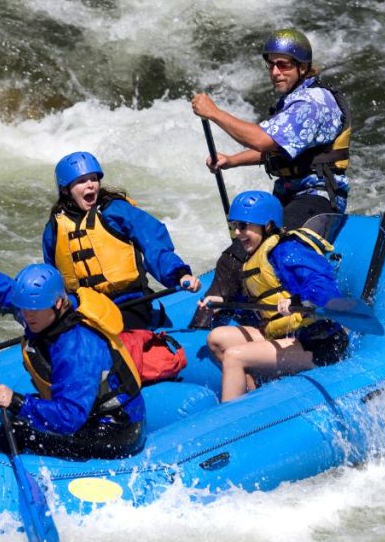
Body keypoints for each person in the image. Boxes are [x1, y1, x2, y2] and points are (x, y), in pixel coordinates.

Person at [189, 28, 352, 328]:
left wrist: (214, 113)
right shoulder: (293, 101)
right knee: (239, 253)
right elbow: (277, 149)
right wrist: (230, 161)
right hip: (290, 196)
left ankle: (202, 331)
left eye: (284, 65)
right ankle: (231, 320)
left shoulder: (311, 104)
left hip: (317, 198)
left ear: (303, 67)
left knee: (252, 253)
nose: (275, 72)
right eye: (272, 65)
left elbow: (264, 141)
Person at [0, 256, 146, 459]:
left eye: (33, 309)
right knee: (19, 417)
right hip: (88, 412)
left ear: (59, 303)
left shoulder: (77, 349)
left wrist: (17, 402)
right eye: (24, 308)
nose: (27, 315)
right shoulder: (43, 312)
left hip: (115, 428)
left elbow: (70, 416)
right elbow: (11, 295)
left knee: (18, 429)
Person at [198, 191, 349, 402]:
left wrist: (298, 301)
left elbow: (325, 290)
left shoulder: (288, 251)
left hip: (316, 343)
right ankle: (252, 399)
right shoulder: (254, 258)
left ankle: (233, 424)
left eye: (244, 226)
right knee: (217, 339)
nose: (238, 233)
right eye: (235, 227)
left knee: (234, 357)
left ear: (267, 226)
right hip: (286, 335)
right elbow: (263, 304)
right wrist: (226, 304)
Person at [42, 150, 201, 330]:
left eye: (93, 179)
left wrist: (179, 274)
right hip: (84, 306)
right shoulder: (55, 228)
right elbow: (52, 273)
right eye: (81, 181)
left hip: (128, 300)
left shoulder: (116, 211)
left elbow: (153, 244)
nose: (90, 185)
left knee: (115, 338)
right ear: (66, 189)